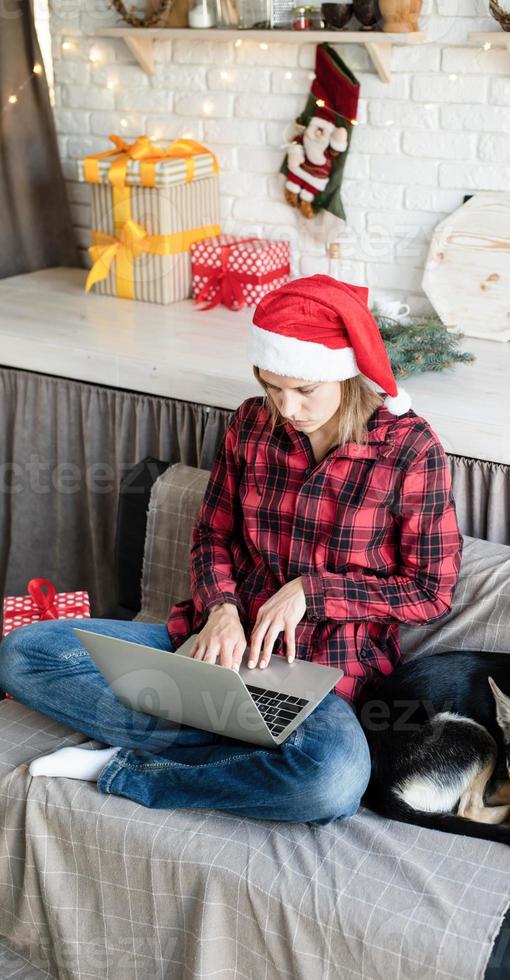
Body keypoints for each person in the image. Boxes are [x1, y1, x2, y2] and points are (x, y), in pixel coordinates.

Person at [0, 275, 463, 826]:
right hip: (215, 650)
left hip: (325, 679)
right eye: (272, 387)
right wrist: (220, 610)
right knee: (24, 652)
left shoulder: (411, 450)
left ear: (347, 375)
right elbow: (211, 535)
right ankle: (225, 745)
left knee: (332, 783)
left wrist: (314, 593)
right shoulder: (250, 423)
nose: (286, 407)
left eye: (304, 391)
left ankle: (127, 767)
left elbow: (432, 593)